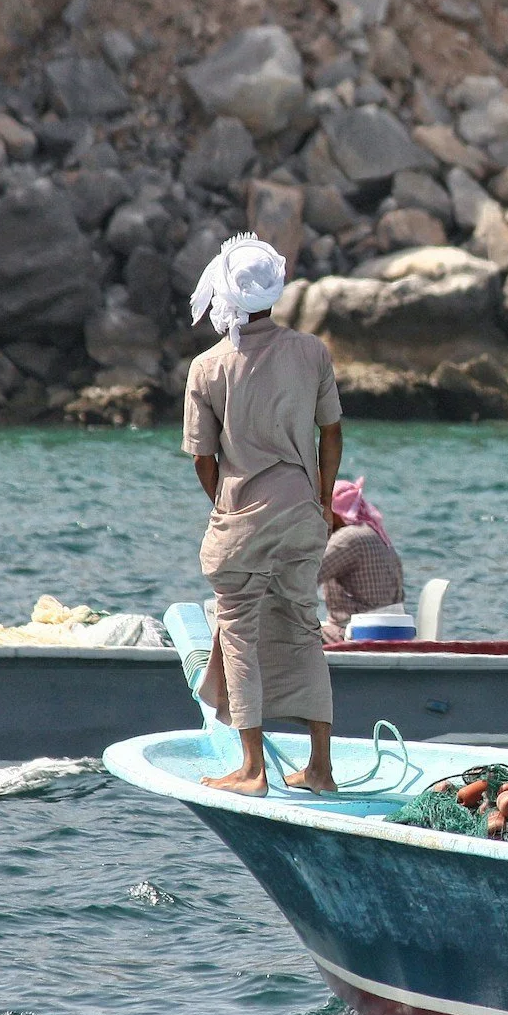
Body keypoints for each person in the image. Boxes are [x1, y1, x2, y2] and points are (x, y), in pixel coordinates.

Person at [183, 234, 342, 796]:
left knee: (238, 634)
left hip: (241, 517)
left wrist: (226, 505)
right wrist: (322, 501)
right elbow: (331, 433)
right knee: (304, 628)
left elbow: (204, 458)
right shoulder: (313, 351)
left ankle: (252, 770)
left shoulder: (207, 368)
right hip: (303, 510)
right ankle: (319, 768)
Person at [320, 476, 405, 642]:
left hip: (356, 633)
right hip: (394, 629)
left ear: (334, 512)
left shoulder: (347, 539)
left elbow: (303, 577)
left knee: (287, 631)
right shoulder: (376, 533)